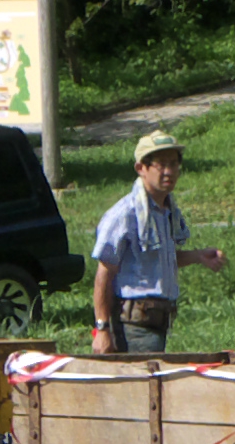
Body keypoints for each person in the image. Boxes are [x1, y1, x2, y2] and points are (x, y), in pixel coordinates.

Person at [89, 129, 225, 353]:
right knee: (144, 385)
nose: (169, 171)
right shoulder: (126, 214)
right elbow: (104, 272)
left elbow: (161, 260)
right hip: (133, 325)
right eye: (161, 165)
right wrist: (102, 330)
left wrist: (199, 256)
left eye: (173, 164)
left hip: (159, 322)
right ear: (141, 168)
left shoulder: (166, 212)